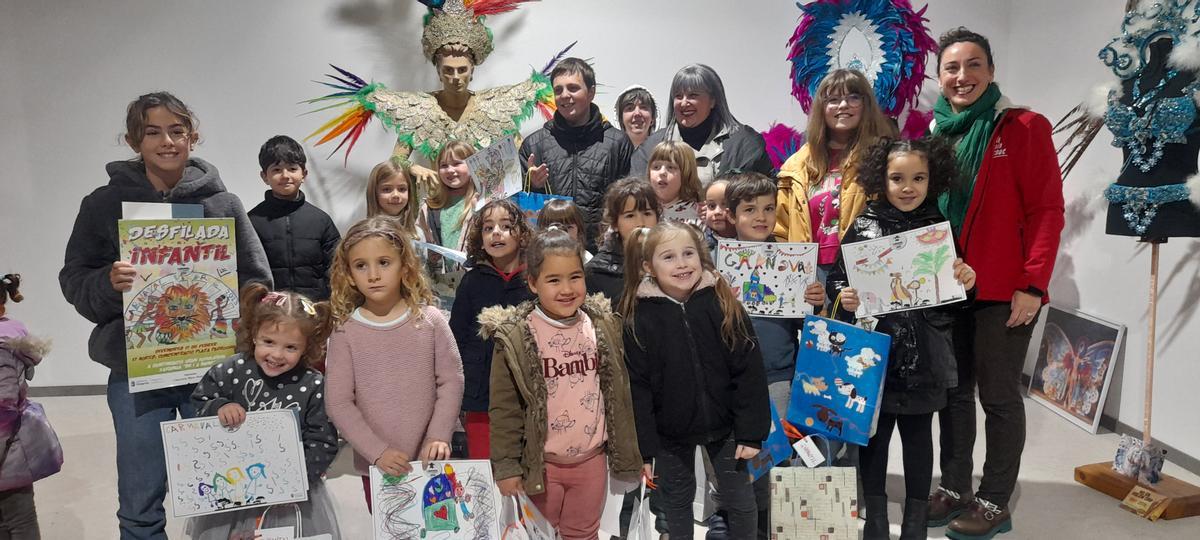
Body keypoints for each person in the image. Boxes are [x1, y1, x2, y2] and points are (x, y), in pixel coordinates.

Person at [59, 91, 271, 539]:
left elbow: (256, 279)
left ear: (192, 136)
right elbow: (74, 279)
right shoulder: (102, 205)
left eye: (177, 131)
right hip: (136, 372)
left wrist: (244, 317)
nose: (167, 142)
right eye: (153, 132)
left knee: (224, 489)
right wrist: (107, 283)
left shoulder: (224, 204)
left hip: (211, 371)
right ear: (134, 140)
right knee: (141, 499)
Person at [927, 28, 1064, 540]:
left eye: (973, 65)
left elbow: (1047, 208)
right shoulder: (936, 133)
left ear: (991, 71)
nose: (962, 76)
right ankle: (955, 487)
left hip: (1005, 289)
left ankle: (994, 500)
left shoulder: (1023, 126)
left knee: (999, 397)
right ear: (940, 77)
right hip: (947, 286)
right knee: (954, 394)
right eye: (952, 67)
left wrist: (1033, 283)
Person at [827, 136, 976, 540]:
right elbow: (838, 280)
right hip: (875, 356)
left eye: (918, 178)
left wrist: (967, 281)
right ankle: (875, 521)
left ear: (933, 179)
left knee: (918, 438)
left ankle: (915, 523)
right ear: (881, 178)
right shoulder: (864, 226)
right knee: (873, 440)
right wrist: (844, 296)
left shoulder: (939, 229)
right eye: (897, 178)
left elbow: (957, 298)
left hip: (926, 356)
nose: (908, 187)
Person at [480, 229, 642, 540]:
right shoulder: (516, 336)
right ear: (533, 283)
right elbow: (504, 410)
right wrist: (507, 467)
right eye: (553, 280)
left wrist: (632, 456)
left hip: (592, 461)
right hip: (542, 466)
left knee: (584, 533)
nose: (567, 289)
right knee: (539, 534)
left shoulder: (601, 325)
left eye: (575, 277)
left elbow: (620, 397)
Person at [621, 221, 770, 540]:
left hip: (728, 427)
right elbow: (638, 389)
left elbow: (749, 369)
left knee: (741, 500)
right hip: (669, 434)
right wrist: (645, 451)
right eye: (669, 257)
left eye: (688, 253)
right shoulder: (639, 317)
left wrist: (751, 432)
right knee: (676, 503)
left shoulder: (723, 303)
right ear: (648, 267)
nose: (682, 264)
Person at [307, 0, 553, 188]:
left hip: (487, 208)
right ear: (438, 71)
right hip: (439, 205)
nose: (455, 77)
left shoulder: (496, 107)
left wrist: (529, 173)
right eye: (448, 70)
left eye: (462, 70)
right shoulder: (421, 110)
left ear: (472, 71)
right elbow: (397, 160)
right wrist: (415, 169)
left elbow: (520, 154)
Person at [323, 217, 464, 511]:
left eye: (384, 262)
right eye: (361, 265)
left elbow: (451, 380)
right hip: (378, 467)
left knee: (439, 524)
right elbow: (338, 402)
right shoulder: (345, 332)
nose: (373, 275)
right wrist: (377, 452)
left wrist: (438, 434)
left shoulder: (431, 321)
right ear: (349, 274)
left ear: (405, 266)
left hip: (432, 462)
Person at [186, 284, 340, 539]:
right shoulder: (230, 370)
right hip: (232, 488)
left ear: (306, 347)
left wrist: (296, 483)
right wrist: (220, 406)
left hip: (291, 496)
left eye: (291, 347)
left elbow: (322, 441)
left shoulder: (313, 384)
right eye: (269, 342)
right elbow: (200, 402)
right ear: (254, 334)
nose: (277, 355)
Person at [722, 173, 825, 537]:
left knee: (776, 454)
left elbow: (808, 323)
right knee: (742, 458)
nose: (761, 217)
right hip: (733, 380)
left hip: (778, 375)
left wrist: (815, 301)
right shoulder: (719, 264)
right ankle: (747, 521)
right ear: (731, 215)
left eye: (768, 209)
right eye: (750, 210)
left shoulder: (793, 259)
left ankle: (772, 524)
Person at [775, 69, 897, 278]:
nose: (843, 105)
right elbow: (781, 229)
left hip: (867, 267)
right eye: (833, 99)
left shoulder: (885, 156)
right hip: (808, 272)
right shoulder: (796, 166)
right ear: (822, 108)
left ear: (866, 104)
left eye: (853, 97)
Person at [449, 199, 535, 459]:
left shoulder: (534, 280)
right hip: (480, 396)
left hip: (526, 394)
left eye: (506, 226)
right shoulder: (471, 281)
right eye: (488, 228)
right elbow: (456, 339)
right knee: (485, 468)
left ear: (522, 234)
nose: (496, 233)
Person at [522, 58, 634, 253]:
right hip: (549, 254)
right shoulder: (534, 145)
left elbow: (628, 203)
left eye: (573, 88)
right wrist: (532, 184)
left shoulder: (617, 143)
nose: (565, 95)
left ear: (591, 92)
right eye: (558, 90)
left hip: (603, 255)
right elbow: (516, 210)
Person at [632, 64, 772, 184]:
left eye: (693, 95)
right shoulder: (650, 147)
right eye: (678, 96)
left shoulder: (745, 144)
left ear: (713, 100)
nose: (684, 103)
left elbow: (761, 193)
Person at [248, 135, 341, 301]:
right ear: (264, 176)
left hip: (315, 308)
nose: (285, 175)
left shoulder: (321, 220)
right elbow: (247, 269)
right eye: (276, 170)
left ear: (304, 174)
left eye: (292, 168)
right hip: (269, 310)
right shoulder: (252, 221)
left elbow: (337, 267)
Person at [0, 274, 58, 540]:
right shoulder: (13, 333)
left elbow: (3, 408)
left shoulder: (2, 349)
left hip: (7, 450)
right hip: (13, 448)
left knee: (18, 518)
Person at [585, 177, 661, 303]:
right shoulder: (596, 271)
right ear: (615, 223)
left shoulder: (670, 261)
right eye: (630, 215)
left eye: (647, 214)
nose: (641, 223)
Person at [420, 140, 478, 251]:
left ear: (472, 164)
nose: (450, 170)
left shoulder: (482, 202)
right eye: (444, 165)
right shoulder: (430, 207)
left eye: (456, 163)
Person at [365, 158, 424, 240]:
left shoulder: (417, 234)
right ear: (374, 193)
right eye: (386, 189)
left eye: (402, 189)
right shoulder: (366, 235)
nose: (396, 195)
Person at [647, 141, 703, 225]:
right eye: (656, 167)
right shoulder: (641, 209)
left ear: (686, 174)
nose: (662, 172)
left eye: (671, 167)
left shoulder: (698, 215)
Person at [536, 198, 592, 262]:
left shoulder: (586, 259)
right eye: (554, 227)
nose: (562, 233)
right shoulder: (535, 259)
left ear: (579, 230)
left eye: (569, 227)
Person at [615, 85, 658, 152]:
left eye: (643, 107)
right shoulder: (612, 151)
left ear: (653, 118)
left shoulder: (663, 152)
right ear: (620, 118)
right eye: (630, 108)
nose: (637, 113)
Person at [701, 177, 736, 255]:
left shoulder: (751, 237)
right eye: (712, 206)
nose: (717, 212)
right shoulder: (699, 241)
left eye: (725, 205)